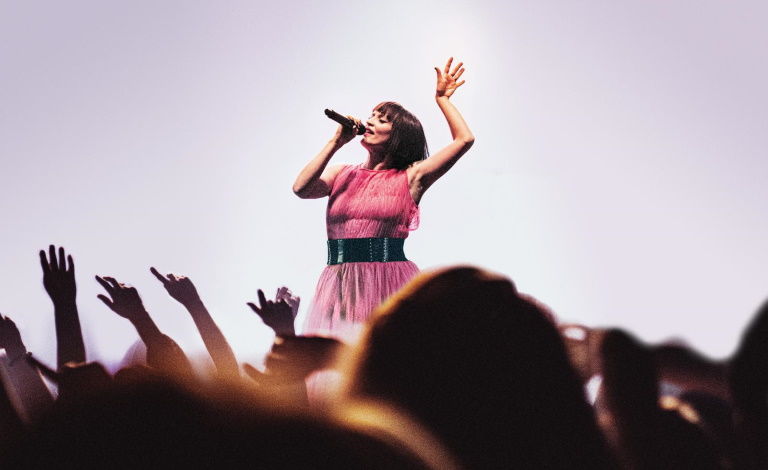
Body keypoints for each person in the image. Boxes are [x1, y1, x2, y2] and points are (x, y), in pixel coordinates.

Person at [292, 57, 475, 340]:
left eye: (382, 119)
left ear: (399, 136)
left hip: (389, 280)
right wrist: (335, 143)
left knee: (385, 356)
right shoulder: (342, 173)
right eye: (372, 115)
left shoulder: (412, 176)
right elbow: (301, 188)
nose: (370, 121)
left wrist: (442, 99)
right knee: (337, 358)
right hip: (339, 281)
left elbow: (464, 140)